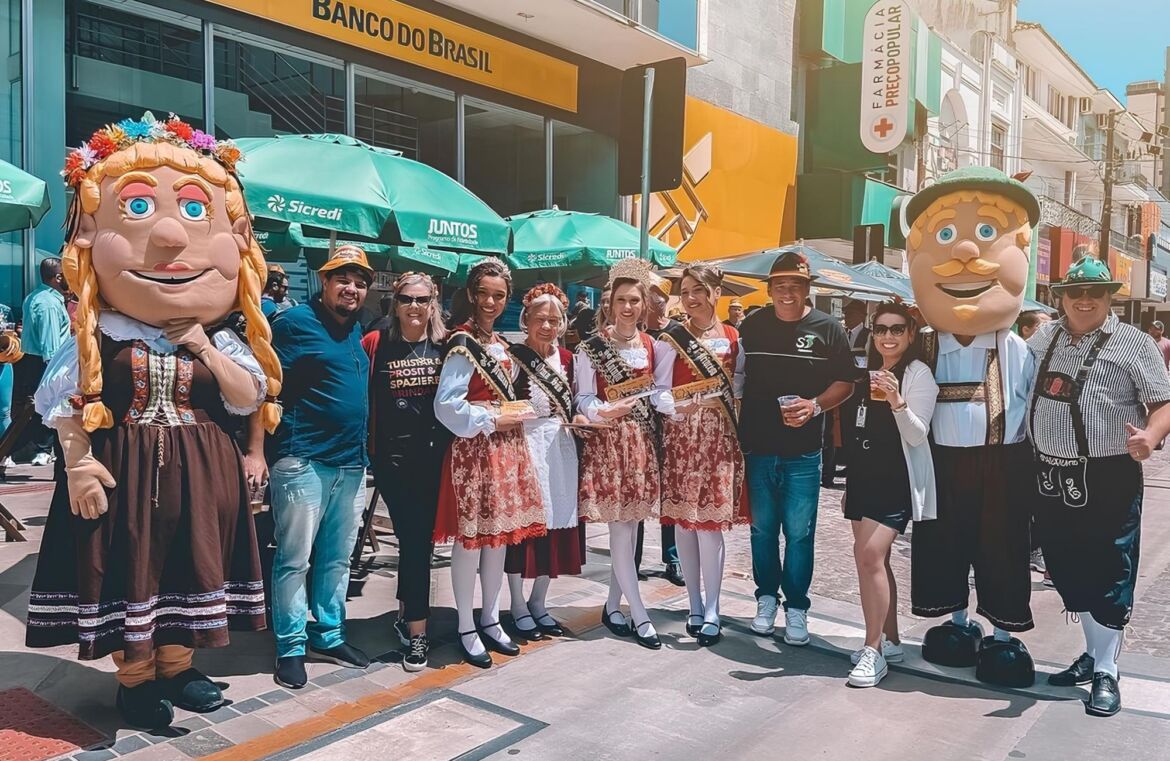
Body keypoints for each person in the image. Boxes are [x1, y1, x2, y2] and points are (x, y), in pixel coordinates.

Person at [26, 115, 279, 729]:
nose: (169, 234)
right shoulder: (100, 335)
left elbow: (249, 395)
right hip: (124, 471)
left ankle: (178, 666)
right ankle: (136, 678)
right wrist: (79, 463)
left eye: (193, 212)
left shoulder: (221, 336)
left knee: (192, 565)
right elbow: (64, 403)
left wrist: (203, 346)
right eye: (138, 207)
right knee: (130, 570)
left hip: (204, 473)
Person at [904, 167, 1039, 688]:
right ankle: (956, 621)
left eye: (985, 233)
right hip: (941, 463)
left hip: (1001, 464)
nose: (963, 251)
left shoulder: (1015, 347)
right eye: (945, 235)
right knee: (945, 543)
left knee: (1001, 548)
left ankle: (1003, 632)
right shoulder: (924, 345)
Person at [1028, 257, 1170, 717]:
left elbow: (1163, 402)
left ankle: (1107, 669)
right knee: (1066, 564)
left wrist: (1150, 436)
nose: (1084, 300)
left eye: (1095, 292)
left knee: (1110, 567)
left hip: (1108, 473)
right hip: (1050, 473)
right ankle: (1093, 654)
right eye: (1075, 292)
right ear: (1062, 298)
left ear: (1110, 298)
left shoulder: (1134, 342)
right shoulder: (1043, 338)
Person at [269, 245, 374, 690]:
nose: (351, 288)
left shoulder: (356, 329)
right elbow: (266, 387)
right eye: (342, 279)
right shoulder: (294, 323)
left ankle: (329, 634)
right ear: (324, 282)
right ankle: (291, 645)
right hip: (303, 459)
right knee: (294, 559)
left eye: (360, 283)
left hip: (350, 463)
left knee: (337, 559)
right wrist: (257, 450)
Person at [433, 258, 547, 669]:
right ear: (470, 294)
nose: (490, 302)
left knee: (497, 541)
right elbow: (446, 405)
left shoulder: (499, 341)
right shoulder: (462, 342)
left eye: (499, 296)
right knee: (471, 542)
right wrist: (491, 418)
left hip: (505, 449)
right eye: (483, 294)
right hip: (476, 450)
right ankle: (466, 624)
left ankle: (490, 617)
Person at [739, 250, 856, 646]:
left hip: (804, 452)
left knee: (800, 533)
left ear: (808, 290)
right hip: (758, 447)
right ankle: (766, 598)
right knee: (761, 531)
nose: (787, 293)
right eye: (780, 286)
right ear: (770, 289)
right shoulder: (753, 326)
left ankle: (797, 607)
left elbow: (846, 382)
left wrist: (815, 405)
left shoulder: (829, 329)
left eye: (795, 286)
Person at [842, 301, 938, 688]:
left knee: (870, 556)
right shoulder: (869, 370)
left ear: (911, 334)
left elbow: (917, 434)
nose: (888, 336)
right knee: (871, 562)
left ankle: (873, 649)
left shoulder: (918, 374)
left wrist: (897, 400)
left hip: (896, 478)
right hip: (864, 476)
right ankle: (891, 640)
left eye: (897, 329)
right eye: (881, 329)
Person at [576, 258, 668, 650]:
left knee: (631, 530)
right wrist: (603, 410)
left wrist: (683, 404)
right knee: (619, 529)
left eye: (634, 300)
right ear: (610, 304)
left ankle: (613, 606)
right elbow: (582, 397)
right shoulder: (590, 348)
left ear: (644, 305)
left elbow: (661, 394)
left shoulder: (654, 347)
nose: (627, 307)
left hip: (642, 443)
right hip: (609, 443)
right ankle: (640, 615)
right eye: (621, 300)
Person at [361, 272, 450, 672]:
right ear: (395, 304)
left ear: (433, 303)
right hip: (392, 462)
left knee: (418, 544)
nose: (414, 306)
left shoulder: (446, 345)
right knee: (414, 542)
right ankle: (413, 626)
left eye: (422, 299)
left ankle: (412, 623)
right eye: (406, 299)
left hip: (436, 460)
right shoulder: (377, 343)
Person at [655, 264, 747, 646]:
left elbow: (740, 386)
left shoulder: (734, 337)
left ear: (716, 292)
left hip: (719, 439)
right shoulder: (670, 339)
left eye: (698, 290)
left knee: (710, 527)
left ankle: (712, 608)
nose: (691, 298)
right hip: (681, 438)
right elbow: (658, 391)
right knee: (684, 524)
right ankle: (693, 603)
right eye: (685, 291)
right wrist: (680, 407)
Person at [505, 284, 589, 641]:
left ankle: (538, 602)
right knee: (522, 528)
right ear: (526, 320)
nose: (547, 327)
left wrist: (581, 417)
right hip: (524, 446)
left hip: (561, 447)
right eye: (540, 319)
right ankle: (516, 604)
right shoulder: (511, 357)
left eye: (554, 321)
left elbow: (580, 401)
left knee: (556, 525)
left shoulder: (568, 359)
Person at [637, 271, 684, 587]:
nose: (655, 303)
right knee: (637, 489)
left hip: (670, 419)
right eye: (650, 298)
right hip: (638, 421)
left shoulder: (678, 332)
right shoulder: (634, 332)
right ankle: (632, 557)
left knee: (671, 489)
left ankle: (673, 557)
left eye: (659, 298)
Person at [16, 257, 72, 466]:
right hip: (46, 361)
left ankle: (38, 448)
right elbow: (50, 341)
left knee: (38, 406)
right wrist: (55, 367)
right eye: (66, 275)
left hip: (31, 360)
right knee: (50, 404)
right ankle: (43, 449)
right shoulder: (49, 303)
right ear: (57, 277)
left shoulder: (34, 296)